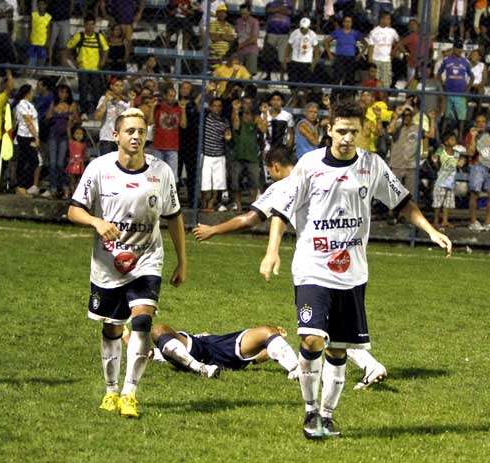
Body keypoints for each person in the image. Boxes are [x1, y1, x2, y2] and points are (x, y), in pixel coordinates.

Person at [257, 100, 452, 439]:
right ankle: (310, 411)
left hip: (352, 274)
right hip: (312, 268)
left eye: (354, 132)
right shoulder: (309, 165)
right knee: (312, 339)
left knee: (338, 349)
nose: (348, 138)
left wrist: (431, 230)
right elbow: (281, 211)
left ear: (362, 133)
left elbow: (403, 202)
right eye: (342, 131)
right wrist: (272, 252)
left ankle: (327, 416)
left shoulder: (371, 165)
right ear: (329, 130)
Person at [194, 145, 390, 391]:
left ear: (275, 167)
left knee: (321, 324)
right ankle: (366, 365)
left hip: (317, 264)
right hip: (346, 258)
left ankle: (367, 366)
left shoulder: (284, 186)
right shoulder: (322, 174)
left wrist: (213, 229)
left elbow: (250, 218)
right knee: (331, 322)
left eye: (269, 171)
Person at [67, 108, 187, 419]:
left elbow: (174, 217)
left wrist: (182, 261)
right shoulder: (99, 168)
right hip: (108, 264)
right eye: (130, 131)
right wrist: (96, 222)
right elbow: (73, 210)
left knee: (142, 322)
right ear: (116, 135)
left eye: (141, 132)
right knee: (112, 327)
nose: (136, 136)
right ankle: (110, 391)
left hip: (147, 259)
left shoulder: (161, 172)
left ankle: (129, 393)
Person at [123, 323, 300, 379]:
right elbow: (145, 353)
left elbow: (258, 358)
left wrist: (275, 340)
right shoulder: (169, 350)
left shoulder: (169, 348)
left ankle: (297, 369)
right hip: (200, 351)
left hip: (222, 347)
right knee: (158, 330)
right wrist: (124, 335)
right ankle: (200, 368)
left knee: (268, 331)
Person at [65, 14, 109, 115]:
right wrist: (74, 62)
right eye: (88, 24)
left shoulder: (99, 37)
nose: (90, 27)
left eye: (92, 24)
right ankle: (83, 112)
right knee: (83, 91)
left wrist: (102, 61)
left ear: (95, 25)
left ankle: (97, 112)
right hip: (83, 69)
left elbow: (106, 49)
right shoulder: (79, 36)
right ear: (84, 25)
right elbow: (68, 49)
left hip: (95, 69)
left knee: (97, 91)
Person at [465, 112, 490, 231]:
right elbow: (470, 152)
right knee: (475, 194)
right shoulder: (470, 135)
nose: (481, 124)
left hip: (489, 168)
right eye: (478, 122)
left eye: (483, 122)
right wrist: (473, 137)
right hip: (477, 166)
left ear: (486, 123)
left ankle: (488, 222)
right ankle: (473, 221)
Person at [44, 84, 79, 199]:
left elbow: (78, 120)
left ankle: (63, 185)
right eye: (61, 92)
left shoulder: (72, 105)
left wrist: (71, 121)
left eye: (66, 92)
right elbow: (47, 117)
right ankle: (53, 188)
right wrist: (52, 113)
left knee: (60, 163)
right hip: (53, 135)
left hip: (65, 136)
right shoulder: (54, 104)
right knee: (53, 163)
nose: (63, 95)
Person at [438, 40, 473, 140]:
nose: (459, 50)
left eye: (461, 48)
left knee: (461, 118)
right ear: (454, 48)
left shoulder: (465, 62)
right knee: (446, 117)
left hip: (461, 94)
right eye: (457, 48)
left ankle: (460, 137)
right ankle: (442, 137)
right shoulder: (446, 60)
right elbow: (438, 74)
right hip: (449, 93)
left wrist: (468, 89)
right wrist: (443, 87)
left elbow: (472, 76)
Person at [200, 98, 232, 211]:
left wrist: (227, 137)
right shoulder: (206, 118)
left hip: (219, 155)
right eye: (214, 106)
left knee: (218, 182)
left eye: (219, 106)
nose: (217, 108)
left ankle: (212, 202)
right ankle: (204, 202)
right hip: (206, 154)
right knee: (205, 181)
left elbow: (228, 135)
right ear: (210, 107)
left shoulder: (225, 122)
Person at [150, 86, 187, 179]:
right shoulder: (159, 107)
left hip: (172, 147)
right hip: (158, 146)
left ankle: (170, 189)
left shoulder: (178, 109)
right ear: (165, 96)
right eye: (170, 96)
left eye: (174, 96)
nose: (172, 98)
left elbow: (183, 125)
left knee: (171, 175)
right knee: (157, 174)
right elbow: (150, 122)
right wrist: (152, 107)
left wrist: (183, 109)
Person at [433, 132, 466, 230]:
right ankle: (435, 221)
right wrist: (436, 160)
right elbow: (435, 160)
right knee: (437, 203)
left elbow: (460, 164)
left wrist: (463, 161)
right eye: (452, 139)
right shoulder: (441, 151)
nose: (454, 141)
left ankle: (445, 221)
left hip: (450, 183)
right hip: (441, 182)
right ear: (446, 142)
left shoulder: (456, 154)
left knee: (447, 204)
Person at [13, 84, 41, 197]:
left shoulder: (29, 105)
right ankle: (22, 185)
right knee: (32, 161)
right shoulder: (22, 104)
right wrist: (36, 137)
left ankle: (23, 185)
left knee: (26, 160)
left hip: (29, 136)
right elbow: (28, 121)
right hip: (25, 136)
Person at [94, 77, 130, 155]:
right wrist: (106, 101)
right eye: (117, 85)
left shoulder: (127, 102)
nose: (119, 88)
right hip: (107, 138)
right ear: (111, 86)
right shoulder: (104, 99)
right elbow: (97, 117)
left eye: (121, 86)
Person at [366, 12, 399, 90]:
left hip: (387, 61)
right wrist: (370, 60)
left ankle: (385, 97)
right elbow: (371, 46)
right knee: (374, 82)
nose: (388, 21)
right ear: (381, 19)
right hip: (376, 60)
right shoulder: (374, 31)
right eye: (386, 19)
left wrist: (394, 52)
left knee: (386, 83)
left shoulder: (393, 31)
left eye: (389, 19)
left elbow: (398, 42)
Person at [234, 4, 260, 76]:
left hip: (251, 50)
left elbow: (254, 39)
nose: (243, 15)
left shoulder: (254, 22)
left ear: (249, 12)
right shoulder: (238, 21)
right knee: (237, 73)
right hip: (240, 51)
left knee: (249, 74)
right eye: (241, 13)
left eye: (245, 13)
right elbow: (236, 34)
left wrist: (242, 44)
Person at [27, 0, 52, 67]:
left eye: (43, 4)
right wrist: (28, 38)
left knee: (41, 62)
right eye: (39, 4)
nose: (41, 6)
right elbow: (30, 28)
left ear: (46, 6)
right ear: (37, 5)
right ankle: (30, 72)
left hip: (42, 43)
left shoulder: (48, 17)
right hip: (33, 42)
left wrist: (47, 42)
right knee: (31, 61)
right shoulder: (33, 15)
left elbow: (48, 31)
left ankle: (38, 73)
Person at [65, 124, 87, 193]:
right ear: (73, 135)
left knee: (79, 180)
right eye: (77, 133)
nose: (79, 135)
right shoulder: (71, 143)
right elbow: (68, 132)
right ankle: (72, 193)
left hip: (80, 164)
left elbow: (85, 155)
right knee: (72, 180)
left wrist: (84, 159)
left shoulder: (84, 145)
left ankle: (76, 193)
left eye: (81, 134)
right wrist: (69, 123)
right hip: (72, 164)